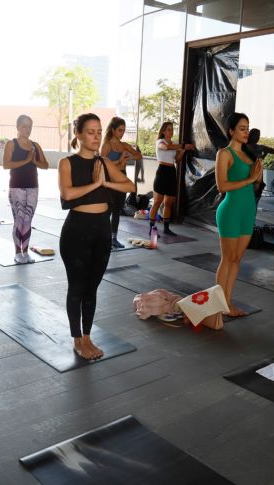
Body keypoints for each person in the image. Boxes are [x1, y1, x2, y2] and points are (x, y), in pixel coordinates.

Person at [58, 113, 135, 360]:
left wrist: (106, 183)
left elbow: (130, 186)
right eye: (90, 132)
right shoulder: (67, 163)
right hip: (77, 231)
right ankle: (77, 339)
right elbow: (68, 194)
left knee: (92, 288)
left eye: (99, 131)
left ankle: (88, 337)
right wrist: (95, 184)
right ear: (78, 135)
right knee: (77, 287)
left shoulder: (103, 163)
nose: (96, 136)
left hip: (101, 230)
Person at [214, 113, 262, 317]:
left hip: (248, 211)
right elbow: (222, 185)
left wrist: (257, 177)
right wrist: (250, 179)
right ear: (231, 131)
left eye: (247, 128)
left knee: (236, 259)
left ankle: (227, 303)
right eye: (242, 128)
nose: (246, 131)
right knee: (227, 259)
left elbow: (255, 184)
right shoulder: (224, 154)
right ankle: (217, 305)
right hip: (231, 211)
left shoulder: (249, 156)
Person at [2, 115, 49, 263]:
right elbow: (6, 164)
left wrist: (34, 160)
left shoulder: (35, 145)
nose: (27, 129)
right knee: (19, 220)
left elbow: (45, 165)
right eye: (24, 126)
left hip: (33, 187)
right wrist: (26, 160)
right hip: (16, 187)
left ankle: (26, 253)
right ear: (17, 127)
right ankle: (17, 252)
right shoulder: (11, 144)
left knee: (28, 220)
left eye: (29, 126)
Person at [101, 116, 142, 249]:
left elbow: (139, 155)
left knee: (117, 211)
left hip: (122, 178)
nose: (122, 133)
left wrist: (129, 156)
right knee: (107, 210)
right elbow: (101, 164)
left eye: (123, 130)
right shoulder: (107, 145)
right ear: (113, 130)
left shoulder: (124, 145)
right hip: (110, 179)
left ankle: (114, 238)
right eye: (119, 130)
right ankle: (104, 238)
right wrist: (119, 161)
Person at [149, 122, 195, 236]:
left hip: (171, 172)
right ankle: (152, 228)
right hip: (162, 172)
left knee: (168, 203)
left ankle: (166, 228)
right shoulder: (160, 142)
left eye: (172, 129)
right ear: (163, 131)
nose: (171, 131)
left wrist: (183, 150)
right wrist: (183, 146)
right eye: (168, 129)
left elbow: (177, 159)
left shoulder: (175, 144)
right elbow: (166, 147)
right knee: (157, 202)